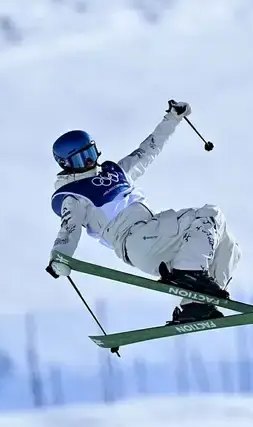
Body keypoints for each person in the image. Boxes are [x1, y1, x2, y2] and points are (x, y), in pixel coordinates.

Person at [45, 101, 241, 324]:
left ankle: (196, 305)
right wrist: (59, 257)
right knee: (210, 215)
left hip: (157, 237)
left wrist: (172, 118)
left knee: (229, 245)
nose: (90, 162)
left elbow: (148, 150)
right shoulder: (74, 194)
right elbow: (68, 227)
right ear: (66, 164)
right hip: (136, 239)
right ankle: (190, 272)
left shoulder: (115, 172)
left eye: (91, 153)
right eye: (82, 159)